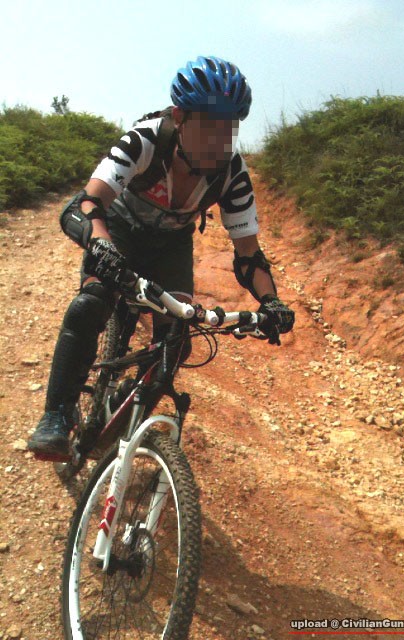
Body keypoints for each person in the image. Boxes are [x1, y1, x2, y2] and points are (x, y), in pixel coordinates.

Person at [27, 55, 295, 458]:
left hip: (171, 244)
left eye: (229, 129)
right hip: (119, 230)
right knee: (91, 303)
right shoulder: (145, 141)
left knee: (175, 341)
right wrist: (102, 246)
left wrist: (271, 302)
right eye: (208, 127)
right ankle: (57, 415)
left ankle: (125, 408)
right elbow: (86, 204)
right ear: (179, 117)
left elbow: (249, 255)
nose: (218, 142)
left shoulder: (232, 173)